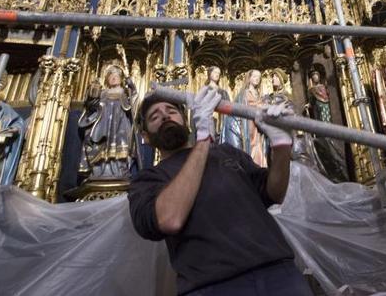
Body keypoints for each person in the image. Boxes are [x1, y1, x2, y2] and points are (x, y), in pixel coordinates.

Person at [128, 86, 312, 296]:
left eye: (171, 110)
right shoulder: (146, 181)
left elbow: (274, 193)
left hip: (279, 275)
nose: (165, 117)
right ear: (146, 136)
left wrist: (280, 145)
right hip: (212, 286)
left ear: (185, 119)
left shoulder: (227, 153)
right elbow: (170, 219)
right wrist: (203, 139)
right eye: (154, 116)